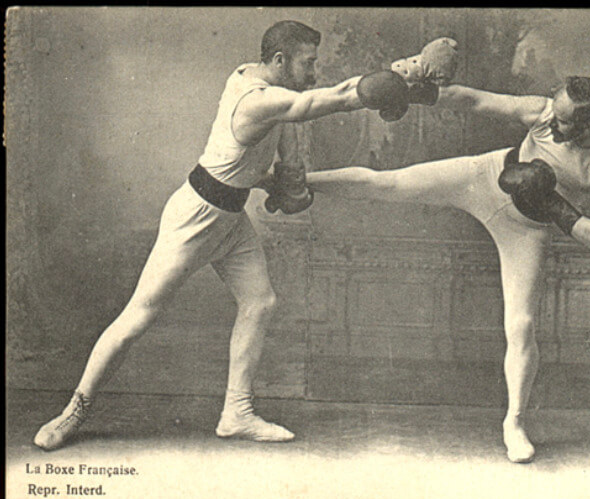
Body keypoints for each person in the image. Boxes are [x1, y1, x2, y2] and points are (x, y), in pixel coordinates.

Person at [33, 21, 453, 451]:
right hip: (195, 217)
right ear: (279, 61)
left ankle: (237, 412)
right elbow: (327, 100)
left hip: (231, 220)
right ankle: (74, 412)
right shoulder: (255, 100)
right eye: (307, 63)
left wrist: (288, 182)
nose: (313, 73)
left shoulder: (261, 81)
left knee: (260, 302)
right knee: (138, 317)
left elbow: (283, 137)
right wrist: (402, 77)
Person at [306, 75, 590, 463]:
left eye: (563, 121)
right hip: (486, 177)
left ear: (589, 125)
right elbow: (475, 99)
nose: (551, 123)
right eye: (555, 111)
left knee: (521, 325)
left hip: (527, 227)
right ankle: (296, 182)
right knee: (391, 183)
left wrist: (552, 205)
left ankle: (515, 423)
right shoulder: (543, 112)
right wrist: (416, 93)